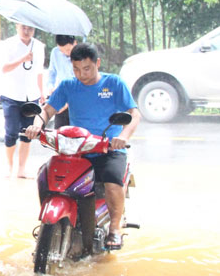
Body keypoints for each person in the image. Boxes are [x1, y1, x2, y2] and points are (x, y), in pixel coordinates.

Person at [25, 42, 140, 249]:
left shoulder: (114, 83)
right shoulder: (69, 86)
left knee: (112, 181)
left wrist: (123, 136)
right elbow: (48, 110)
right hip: (78, 149)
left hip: (109, 148)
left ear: (97, 63)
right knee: (47, 174)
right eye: (76, 69)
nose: (81, 74)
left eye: (86, 68)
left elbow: (134, 114)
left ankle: (114, 229)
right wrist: (36, 125)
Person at [0, 22, 45, 178]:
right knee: (11, 132)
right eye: (23, 27)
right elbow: (4, 68)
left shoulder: (39, 46)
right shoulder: (8, 44)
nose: (27, 31)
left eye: (30, 28)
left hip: (31, 95)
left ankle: (22, 169)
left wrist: (41, 91)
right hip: (11, 94)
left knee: (27, 134)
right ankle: (9, 166)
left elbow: (39, 71)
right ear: (17, 27)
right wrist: (23, 58)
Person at [45, 34, 76, 128]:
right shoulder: (55, 52)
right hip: (61, 97)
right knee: (59, 132)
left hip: (76, 100)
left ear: (75, 43)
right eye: (61, 50)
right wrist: (50, 87)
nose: (65, 53)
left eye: (68, 50)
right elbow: (52, 73)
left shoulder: (82, 55)